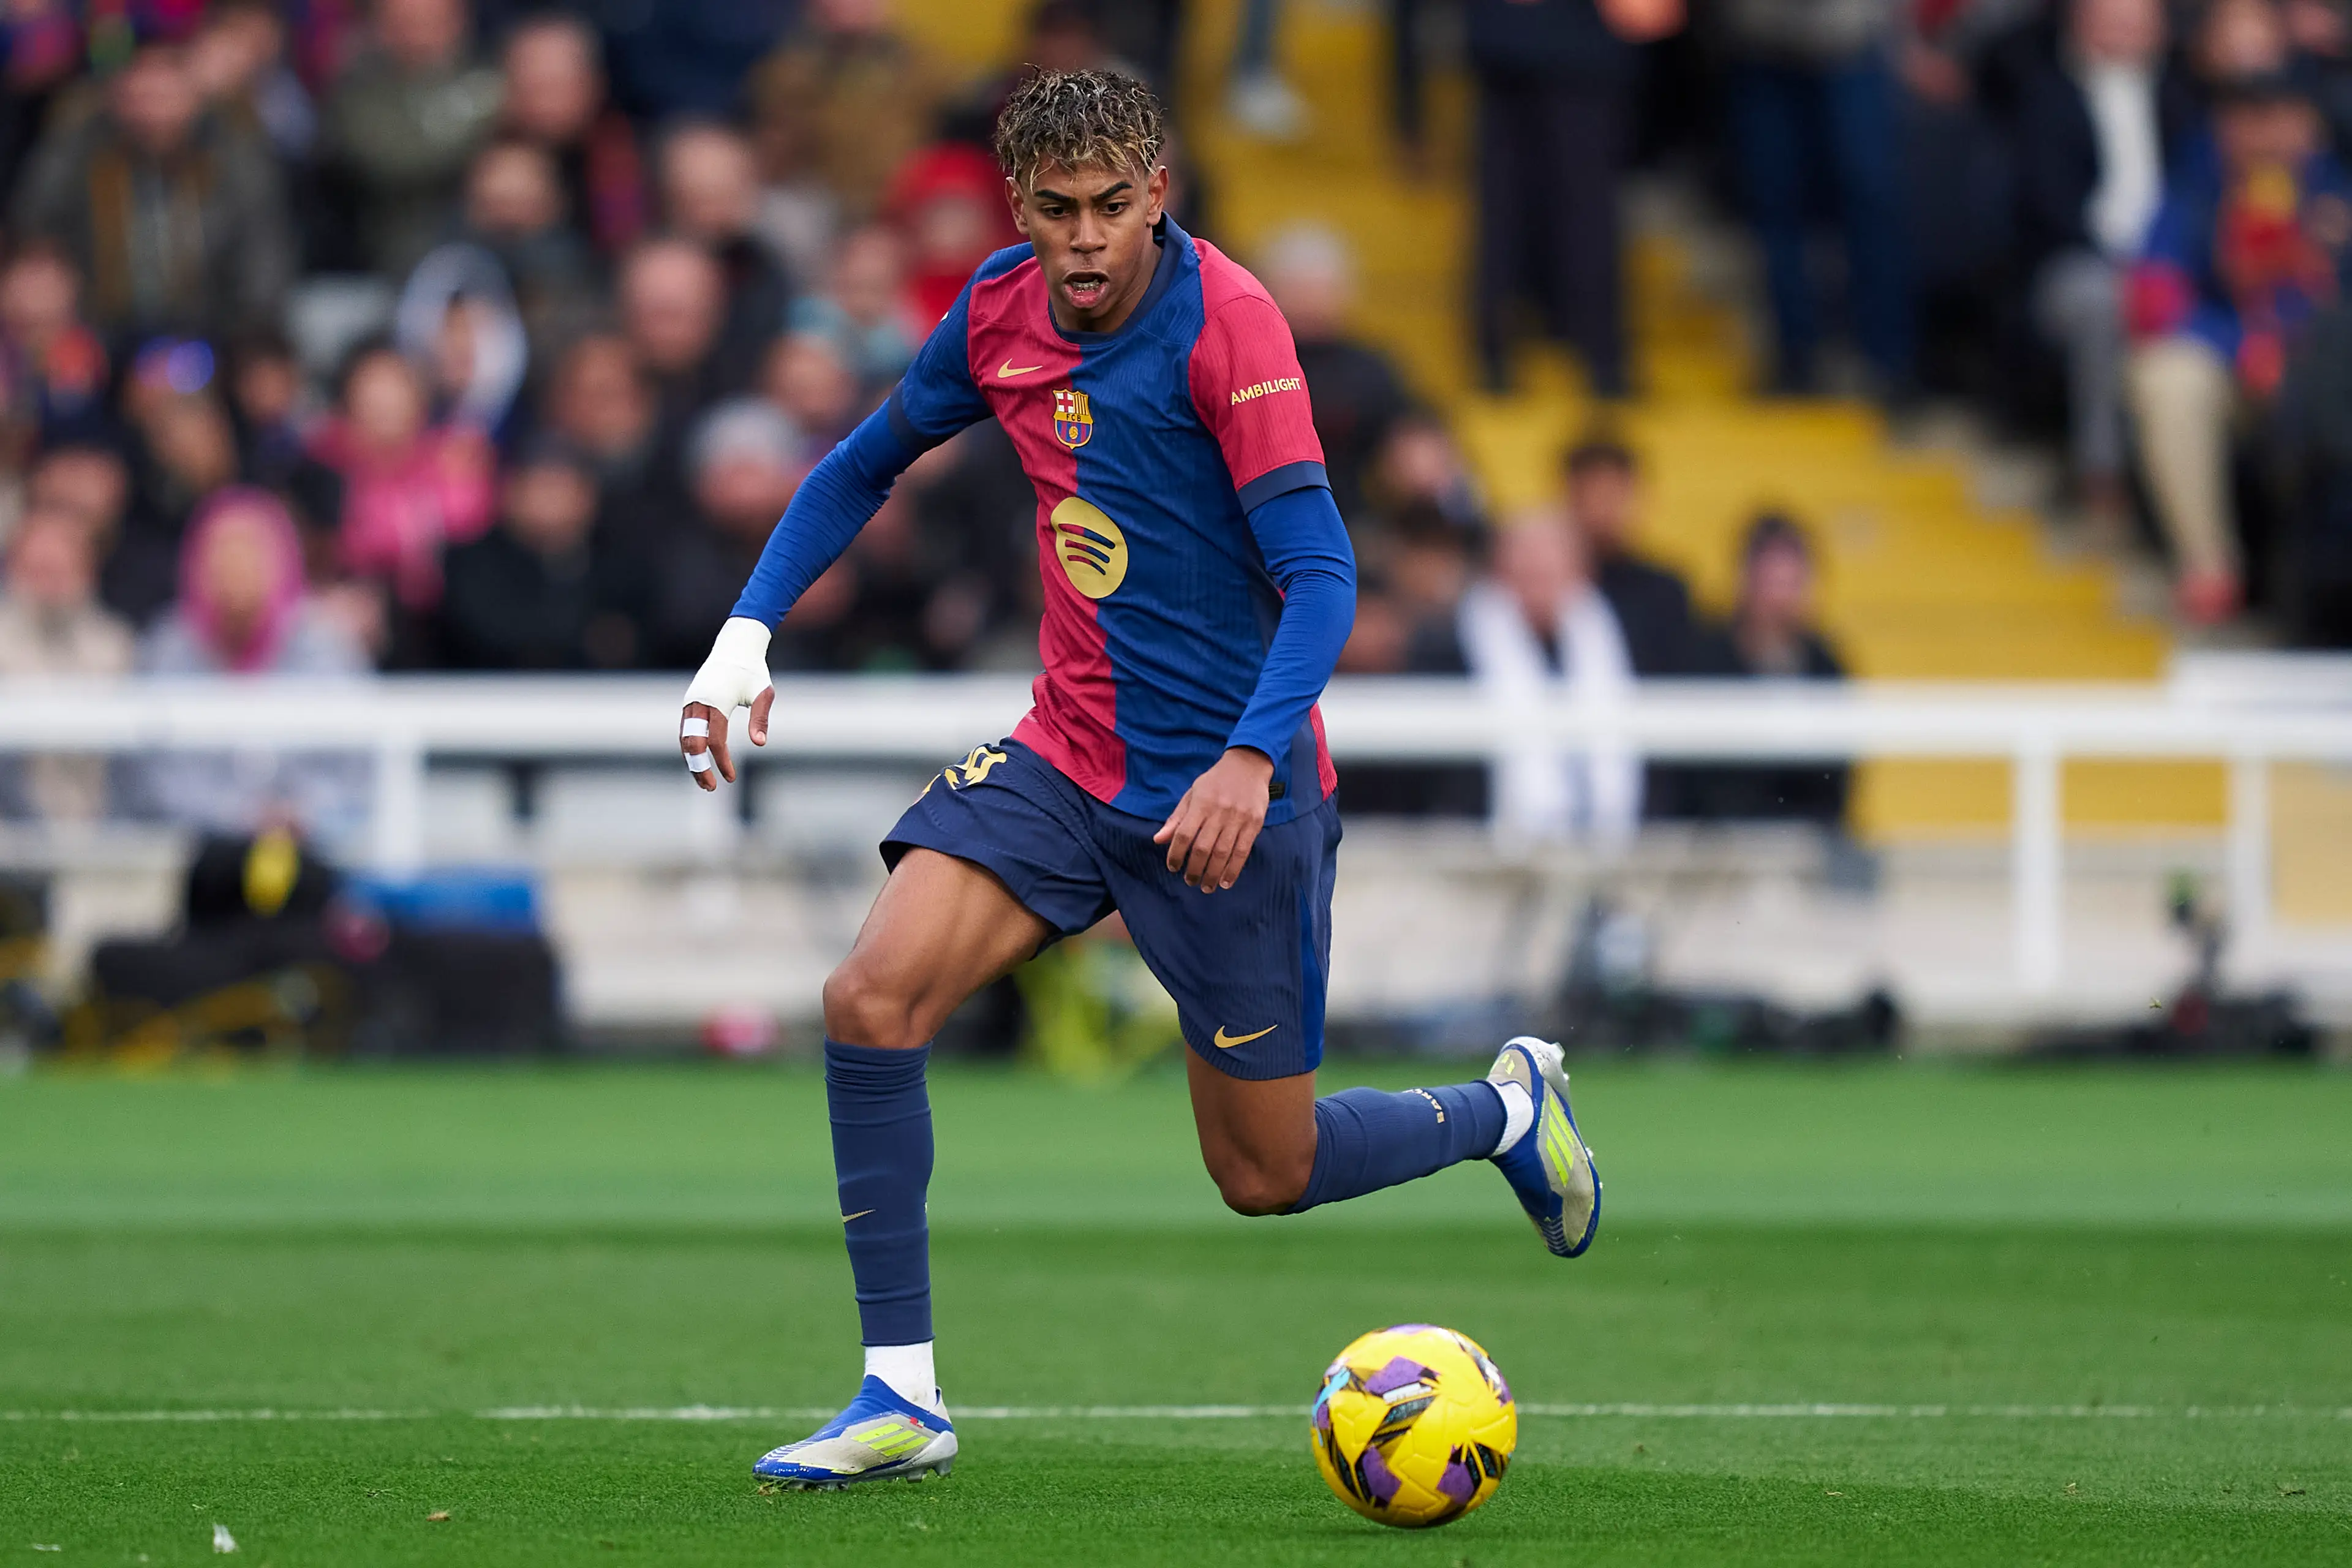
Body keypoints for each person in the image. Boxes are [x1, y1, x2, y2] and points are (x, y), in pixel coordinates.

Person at [676, 70, 1602, 1488]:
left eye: (1114, 205)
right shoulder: (995, 314)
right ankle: (898, 1394)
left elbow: (1321, 575)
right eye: (1059, 211)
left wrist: (1247, 754)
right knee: (868, 995)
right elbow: (860, 467)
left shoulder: (1228, 330)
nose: (1089, 236)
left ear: (1158, 194)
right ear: (1021, 212)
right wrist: (742, 640)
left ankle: (1499, 1110)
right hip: (1064, 751)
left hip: (1232, 800)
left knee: (1262, 1171)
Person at [2126, 77, 2352, 622]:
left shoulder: (2337, 200)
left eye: (2281, 117)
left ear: (2311, 128)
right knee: (2166, 375)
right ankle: (2209, 567)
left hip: (2326, 377)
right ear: (2224, 130)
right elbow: (2155, 301)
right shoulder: (2193, 195)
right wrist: (2244, 347)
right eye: (2249, 119)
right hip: (2235, 378)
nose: (2266, 136)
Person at [2015, 0, 2201, 531]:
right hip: (2080, 264)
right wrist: (2126, 268)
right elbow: (2045, 204)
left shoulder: (2182, 100)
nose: (2124, 31)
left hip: (2172, 267)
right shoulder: (2049, 98)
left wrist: (2165, 267)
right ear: (2080, 24)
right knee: (2104, 303)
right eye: (2110, 18)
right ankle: (2104, 478)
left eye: (2136, 19)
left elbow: (2197, 199)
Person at [10, 28, 295, 342]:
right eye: (140, 97)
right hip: (95, 331)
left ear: (193, 96)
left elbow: (262, 268)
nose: (152, 113)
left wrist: (234, 342)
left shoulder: (235, 159)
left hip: (208, 335)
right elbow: (34, 229)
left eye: (164, 96)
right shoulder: (80, 149)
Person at [1466, 0, 1682, 398]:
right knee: (1584, 217)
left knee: (1508, 215)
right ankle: (1604, 366)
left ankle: (1496, 361)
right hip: (1580, 49)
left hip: (1509, 41)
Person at [135, 488, 371, 846]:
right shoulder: (167, 650)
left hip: (317, 851)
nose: (237, 569)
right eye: (222, 554)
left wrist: (303, 811)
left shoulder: (327, 649)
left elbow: (358, 768)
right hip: (196, 856)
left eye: (252, 553)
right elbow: (153, 776)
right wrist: (238, 816)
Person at [1683, 512, 1853, 823]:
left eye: (1792, 583)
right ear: (1745, 580)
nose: (1781, 600)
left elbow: (1837, 783)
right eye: (1772, 583)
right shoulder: (1703, 658)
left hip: (1804, 843)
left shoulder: (1827, 665)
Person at [323, 0, 504, 278]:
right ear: (380, 27)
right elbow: (391, 158)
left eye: (434, 20)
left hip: (495, 248)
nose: (420, 34)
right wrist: (483, 135)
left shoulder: (489, 74)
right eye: (406, 22)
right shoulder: (358, 91)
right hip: (391, 259)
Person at [1257, 224, 1417, 525]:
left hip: (1354, 521)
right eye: (1299, 288)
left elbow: (1407, 427)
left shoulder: (1369, 367)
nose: (1312, 301)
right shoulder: (1248, 361)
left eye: (1322, 288)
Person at [0, 504, 136, 823]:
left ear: (87, 572)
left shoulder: (117, 647)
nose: (49, 587)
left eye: (60, 571)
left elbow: (130, 767)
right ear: (13, 570)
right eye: (38, 570)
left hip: (102, 828)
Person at [1562, 435, 1696, 675]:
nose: (1602, 510)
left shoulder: (1665, 592)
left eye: (1612, 495)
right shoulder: (1545, 592)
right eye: (1592, 495)